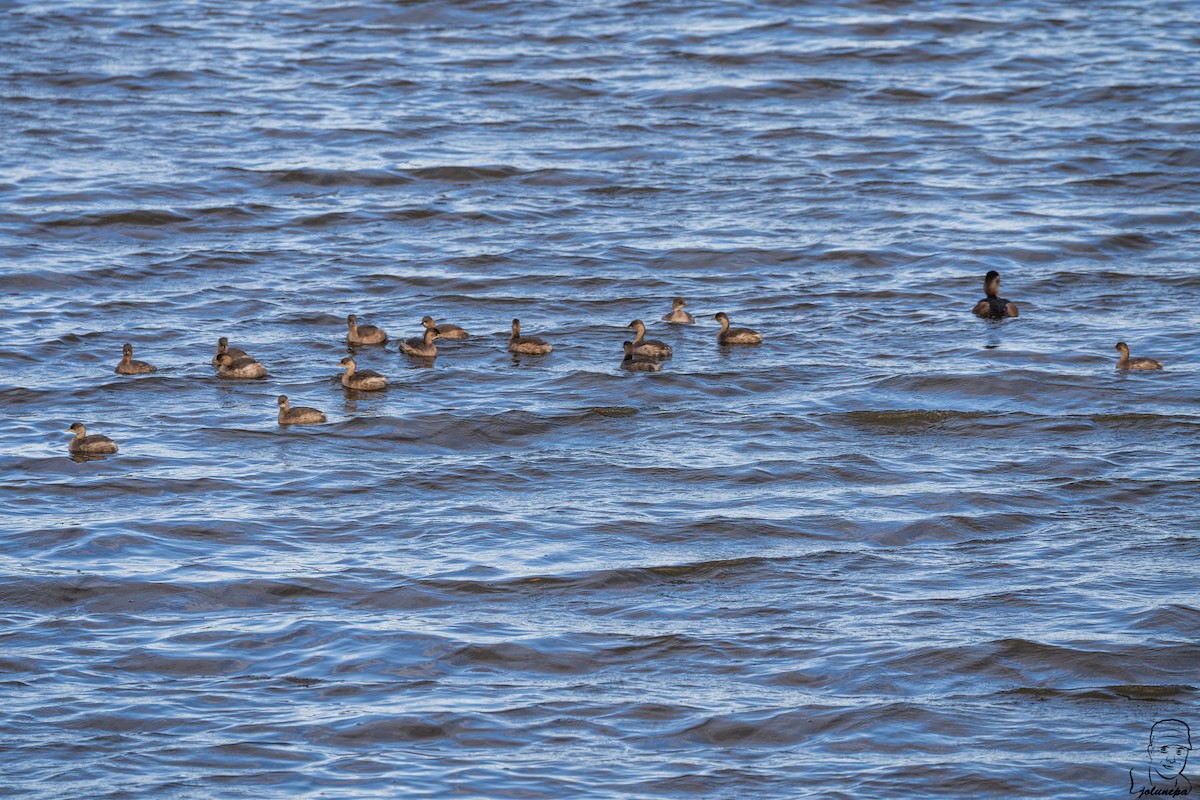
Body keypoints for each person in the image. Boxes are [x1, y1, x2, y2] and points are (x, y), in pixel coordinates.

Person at [1130, 719, 1191, 795]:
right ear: (1151, 751)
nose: (1171, 759)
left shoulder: (1187, 786)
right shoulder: (1135, 778)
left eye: (1179, 752)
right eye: (1164, 750)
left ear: (1187, 754)